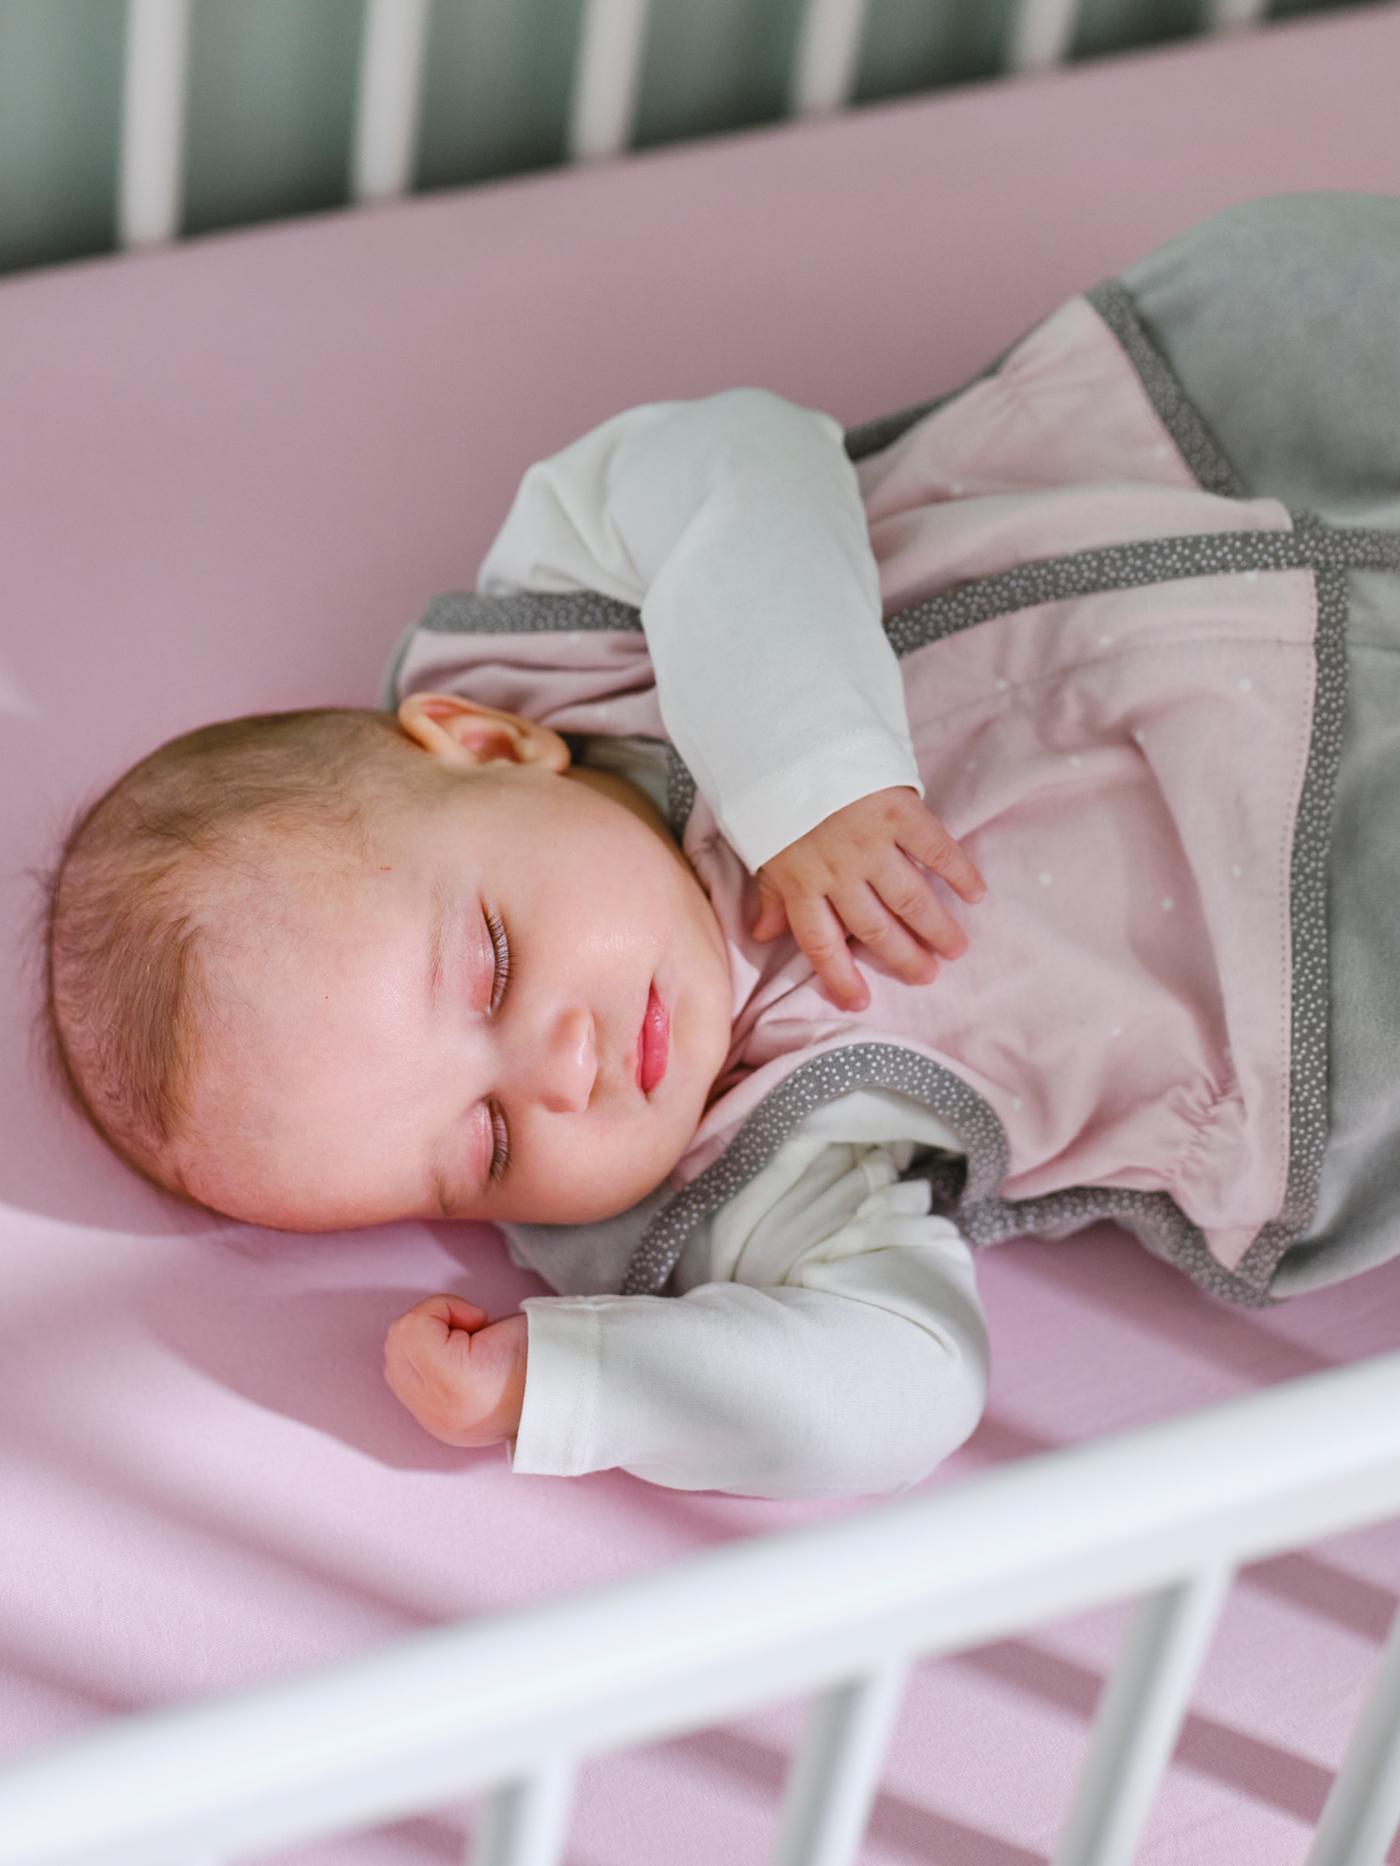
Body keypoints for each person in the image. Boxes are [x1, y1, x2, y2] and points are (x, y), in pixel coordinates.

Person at [38, 191, 1400, 1498]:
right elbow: (910, 1381)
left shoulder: (576, 641)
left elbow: (740, 454)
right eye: (489, 1144)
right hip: (1331, 934)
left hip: (1231, 445)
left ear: (487, 744)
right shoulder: (753, 1177)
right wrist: (581, 1388)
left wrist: (804, 772)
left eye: (497, 965)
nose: (564, 1071)